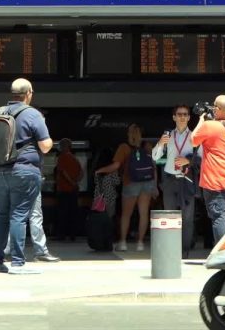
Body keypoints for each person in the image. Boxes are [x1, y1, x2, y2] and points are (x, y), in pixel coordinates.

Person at [0, 78, 54, 275]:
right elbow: (44, 145)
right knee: (19, 215)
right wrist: (50, 142)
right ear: (29, 93)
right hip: (24, 171)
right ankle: (18, 262)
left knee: (2, 216)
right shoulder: (33, 114)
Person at [95, 123, 156, 252]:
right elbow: (153, 167)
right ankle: (140, 243)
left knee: (126, 215)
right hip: (147, 182)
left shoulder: (124, 147)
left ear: (129, 133)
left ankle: (122, 242)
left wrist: (100, 170)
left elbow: (116, 166)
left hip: (131, 182)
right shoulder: (148, 146)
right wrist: (155, 185)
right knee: (143, 214)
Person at [191, 95, 225, 245]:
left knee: (218, 216)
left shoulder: (209, 126)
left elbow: (193, 140)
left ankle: (222, 254)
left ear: (218, 109)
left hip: (214, 180)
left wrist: (201, 120)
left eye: (214, 106)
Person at [152, 104, 201, 257]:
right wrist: (161, 143)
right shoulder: (168, 136)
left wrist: (188, 162)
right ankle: (170, 251)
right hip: (170, 178)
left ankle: (184, 251)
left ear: (189, 117)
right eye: (179, 114)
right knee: (169, 216)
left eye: (185, 114)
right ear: (174, 117)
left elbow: (203, 158)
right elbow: (155, 157)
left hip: (187, 179)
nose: (182, 117)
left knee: (187, 218)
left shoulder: (194, 136)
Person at [54, 138, 82, 242]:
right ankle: (72, 235)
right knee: (73, 213)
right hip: (74, 191)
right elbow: (81, 173)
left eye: (61, 146)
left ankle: (61, 235)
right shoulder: (75, 158)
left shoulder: (62, 158)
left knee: (62, 213)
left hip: (63, 190)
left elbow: (63, 172)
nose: (60, 148)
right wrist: (76, 183)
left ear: (64, 147)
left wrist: (71, 182)